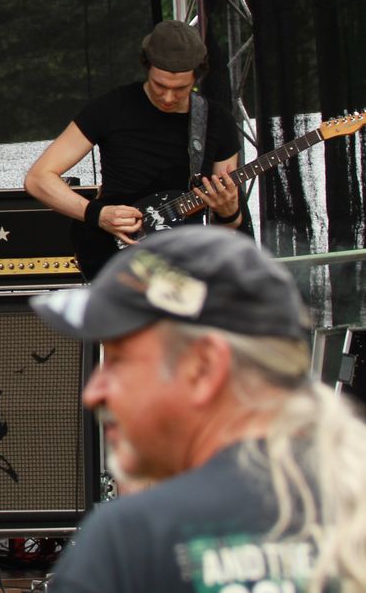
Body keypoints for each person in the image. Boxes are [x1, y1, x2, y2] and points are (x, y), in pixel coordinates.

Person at [31, 225, 366, 592]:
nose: (93, 393)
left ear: (204, 367)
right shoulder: (348, 502)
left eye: (119, 360)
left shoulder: (130, 539)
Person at [25, 20, 245, 279]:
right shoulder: (111, 108)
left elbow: (224, 231)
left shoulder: (217, 121)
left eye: (180, 89)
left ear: (197, 77)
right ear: (146, 67)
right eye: (159, 85)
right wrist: (98, 214)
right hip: (115, 259)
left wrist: (228, 213)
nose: (168, 97)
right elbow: (38, 179)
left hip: (185, 266)